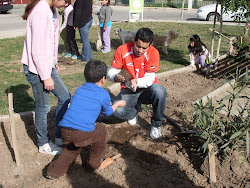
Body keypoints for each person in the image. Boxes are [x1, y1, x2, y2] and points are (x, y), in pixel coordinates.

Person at [45, 60, 126, 179]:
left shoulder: (80, 89)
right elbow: (108, 112)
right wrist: (117, 104)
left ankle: (52, 172)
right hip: (80, 132)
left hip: (65, 130)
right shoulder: (103, 93)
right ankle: (93, 164)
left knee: (72, 149)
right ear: (103, 79)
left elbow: (82, 107)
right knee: (101, 130)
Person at [22, 0, 71, 155]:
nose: (66, 4)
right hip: (36, 69)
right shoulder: (40, 12)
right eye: (66, 0)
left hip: (45, 65)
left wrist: (53, 61)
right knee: (43, 107)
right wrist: (45, 76)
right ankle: (43, 143)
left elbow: (50, 41)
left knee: (65, 96)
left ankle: (58, 136)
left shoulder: (51, 10)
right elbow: (37, 50)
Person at [107, 28, 167, 139]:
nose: (140, 50)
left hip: (147, 90)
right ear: (134, 40)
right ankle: (134, 112)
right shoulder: (122, 49)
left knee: (160, 91)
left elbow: (149, 79)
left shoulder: (154, 53)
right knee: (118, 110)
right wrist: (115, 77)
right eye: (138, 46)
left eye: (144, 48)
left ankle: (156, 124)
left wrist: (137, 81)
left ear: (150, 45)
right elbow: (111, 71)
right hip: (129, 89)